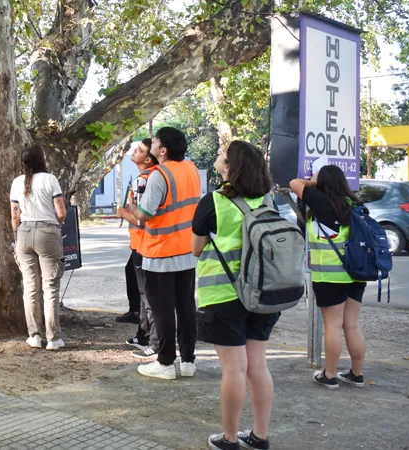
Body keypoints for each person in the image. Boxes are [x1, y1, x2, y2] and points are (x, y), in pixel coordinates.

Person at [193, 141, 280, 450]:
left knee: (233, 368)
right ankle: (259, 436)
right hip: (265, 295)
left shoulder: (213, 201)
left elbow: (196, 248)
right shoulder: (269, 201)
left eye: (222, 155)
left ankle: (229, 439)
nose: (218, 157)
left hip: (224, 295)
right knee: (257, 365)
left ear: (230, 167)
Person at [129, 127, 200, 380]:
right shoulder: (191, 170)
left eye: (155, 141)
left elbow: (145, 214)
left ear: (163, 150)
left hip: (161, 253)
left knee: (162, 310)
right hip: (187, 251)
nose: (151, 145)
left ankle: (166, 362)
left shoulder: (160, 175)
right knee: (186, 306)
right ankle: (188, 360)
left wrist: (133, 208)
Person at [290, 166, 367, 390]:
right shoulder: (354, 204)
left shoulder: (322, 202)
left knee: (332, 325)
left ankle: (330, 375)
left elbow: (295, 183)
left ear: (323, 183)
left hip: (330, 275)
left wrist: (313, 182)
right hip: (356, 273)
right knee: (351, 325)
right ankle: (357, 373)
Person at [10, 144, 67, 350]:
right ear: (42, 159)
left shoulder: (17, 182)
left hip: (24, 234)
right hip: (47, 232)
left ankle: (34, 335)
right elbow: (60, 212)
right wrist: (55, 225)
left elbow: (14, 215)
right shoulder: (50, 179)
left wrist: (18, 237)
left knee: (30, 288)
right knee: (50, 287)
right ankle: (53, 338)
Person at [116, 139, 160, 357]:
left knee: (147, 294)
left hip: (144, 243)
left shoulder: (145, 180)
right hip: (147, 243)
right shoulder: (156, 176)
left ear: (149, 157)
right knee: (144, 291)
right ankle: (143, 333)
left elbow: (141, 218)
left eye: (139, 150)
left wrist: (124, 213)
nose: (134, 152)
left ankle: (152, 339)